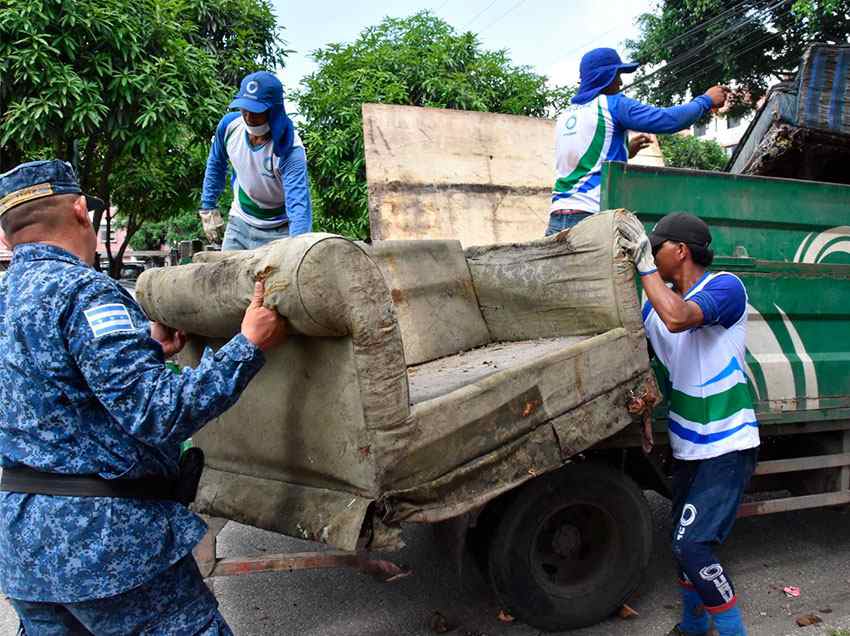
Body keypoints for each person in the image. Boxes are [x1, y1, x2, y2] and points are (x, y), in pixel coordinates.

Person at [0, 159, 287, 634]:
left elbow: (52, 393)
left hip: (24, 553)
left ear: (9, 237)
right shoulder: (82, 292)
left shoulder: (8, 297)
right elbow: (159, 412)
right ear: (79, 211)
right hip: (108, 550)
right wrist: (248, 346)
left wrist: (146, 352)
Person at [622, 212, 759, 636]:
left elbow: (679, 317)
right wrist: (644, 408)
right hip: (686, 447)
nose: (649, 254)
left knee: (692, 544)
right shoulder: (653, 305)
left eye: (655, 246)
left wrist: (644, 266)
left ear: (679, 251)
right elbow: (653, 365)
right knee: (682, 549)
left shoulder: (725, 288)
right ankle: (693, 628)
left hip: (728, 446)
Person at [547, 48, 728, 236]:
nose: (620, 82)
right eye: (617, 75)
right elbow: (669, 120)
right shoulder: (613, 104)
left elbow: (585, 159)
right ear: (606, 77)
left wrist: (626, 150)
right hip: (593, 219)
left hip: (557, 219)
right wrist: (706, 100)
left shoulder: (566, 116)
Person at [199, 71, 312, 249]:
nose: (249, 117)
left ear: (273, 111)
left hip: (278, 230)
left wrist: (298, 248)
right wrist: (208, 207)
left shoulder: (290, 150)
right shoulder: (229, 128)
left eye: (256, 111)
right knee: (226, 275)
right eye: (245, 109)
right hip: (240, 223)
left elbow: (298, 206)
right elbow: (216, 164)